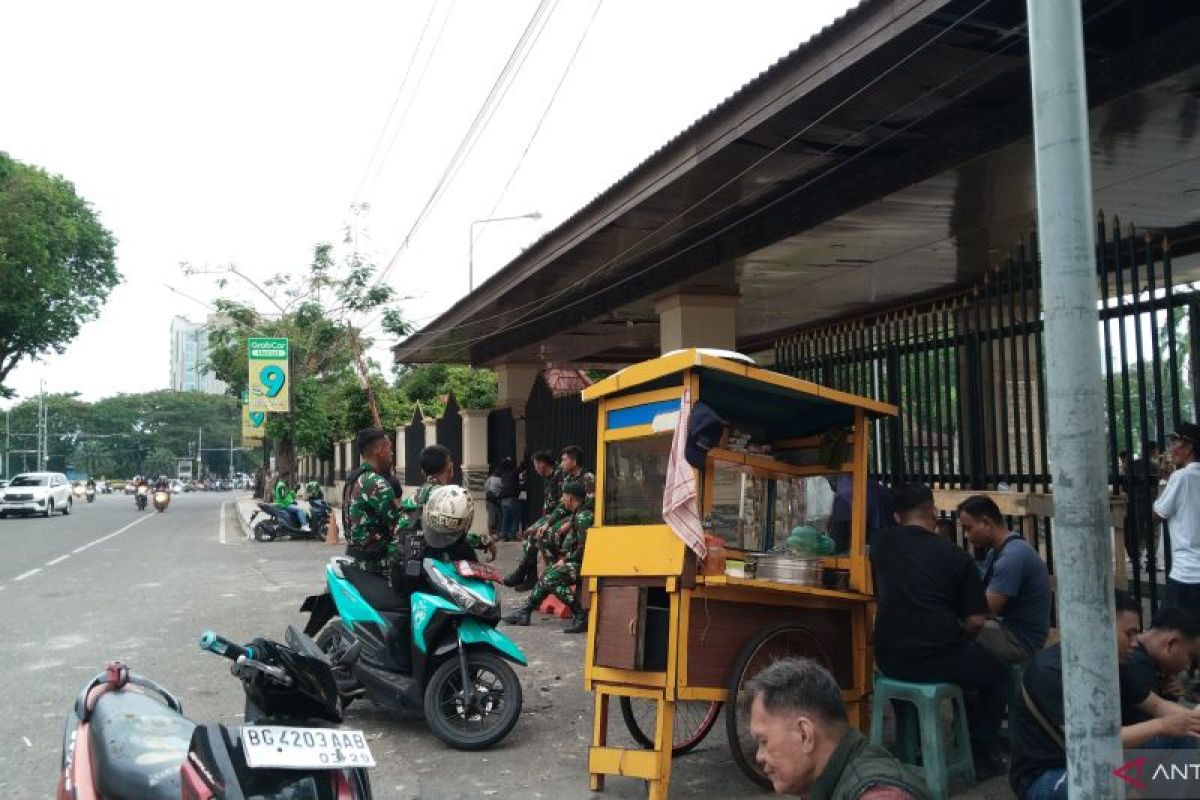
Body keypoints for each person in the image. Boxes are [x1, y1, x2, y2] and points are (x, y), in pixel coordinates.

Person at [870, 484, 1010, 777]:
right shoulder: (955, 556)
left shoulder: (880, 545)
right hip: (937, 658)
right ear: (933, 513)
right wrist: (960, 639)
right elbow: (975, 621)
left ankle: (911, 743)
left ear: (897, 516)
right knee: (999, 674)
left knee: (951, 668)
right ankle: (980, 753)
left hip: (888, 656)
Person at [1010, 590, 1200, 799]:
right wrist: (1162, 725)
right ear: (1100, 627)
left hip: (1098, 762)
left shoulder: (1110, 663)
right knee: (1109, 785)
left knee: (1183, 740)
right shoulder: (1050, 671)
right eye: (1129, 634)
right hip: (1048, 774)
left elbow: (1157, 706)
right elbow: (1094, 740)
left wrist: (1191, 721)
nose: (1135, 642)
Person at [744, 657, 933, 799]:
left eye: (764, 741)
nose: (759, 756)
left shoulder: (879, 794)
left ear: (804, 734)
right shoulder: (827, 783)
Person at [957, 495, 1051, 663]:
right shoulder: (997, 552)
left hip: (1020, 640)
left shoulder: (1012, 557)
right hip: (1007, 629)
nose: (966, 535)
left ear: (986, 523)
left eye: (969, 528)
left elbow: (986, 609)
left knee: (951, 630)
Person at [504, 481, 592, 632]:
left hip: (584, 564)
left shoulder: (583, 517)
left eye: (564, 496)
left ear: (570, 498)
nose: (561, 499)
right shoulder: (578, 514)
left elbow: (583, 549)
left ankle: (580, 615)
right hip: (577, 561)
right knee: (548, 574)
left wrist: (565, 560)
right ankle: (525, 611)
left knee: (551, 578)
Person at [1123, 607, 1200, 732]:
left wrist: (1168, 695)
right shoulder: (1137, 664)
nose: (1187, 666)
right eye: (1190, 657)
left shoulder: (1145, 663)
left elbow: (1157, 705)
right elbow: (1147, 727)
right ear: (1171, 644)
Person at [343, 428, 404, 575]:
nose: (392, 453)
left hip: (359, 557)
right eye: (389, 448)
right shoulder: (376, 483)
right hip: (378, 563)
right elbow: (398, 524)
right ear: (379, 450)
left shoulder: (354, 478)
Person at [1155, 422, 1200, 610]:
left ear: (1188, 447)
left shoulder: (1181, 477)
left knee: (1167, 625)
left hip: (1187, 573)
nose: (1171, 448)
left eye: (1174, 442)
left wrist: (1163, 479)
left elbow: (1158, 513)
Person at [503, 450, 561, 590]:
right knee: (529, 537)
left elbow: (560, 507)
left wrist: (538, 526)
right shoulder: (548, 478)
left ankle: (523, 573)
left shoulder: (559, 477)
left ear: (542, 464)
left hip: (559, 518)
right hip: (549, 517)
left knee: (534, 537)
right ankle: (529, 577)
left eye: (535, 465)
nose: (535, 469)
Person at [498, 457, 522, 542]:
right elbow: (521, 469)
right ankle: (512, 535)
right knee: (515, 516)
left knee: (506, 517)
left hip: (503, 499)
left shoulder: (503, 475)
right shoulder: (514, 472)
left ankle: (504, 535)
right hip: (512, 498)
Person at [484, 465, 503, 540]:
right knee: (499, 516)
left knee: (490, 516)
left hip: (488, 500)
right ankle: (498, 533)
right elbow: (503, 488)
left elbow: (485, 487)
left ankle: (489, 533)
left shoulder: (489, 479)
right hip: (496, 500)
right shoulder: (500, 480)